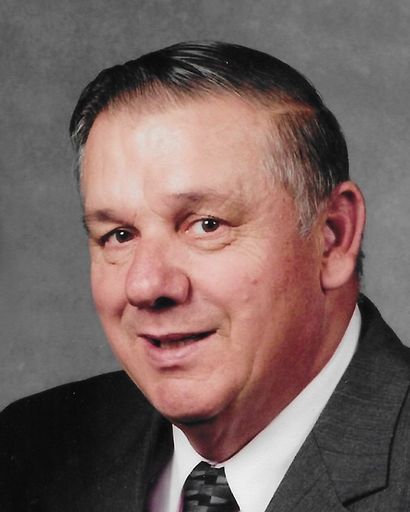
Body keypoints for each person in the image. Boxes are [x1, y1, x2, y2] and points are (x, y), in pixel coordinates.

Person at [1, 41, 409, 512]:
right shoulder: (25, 452)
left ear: (332, 237)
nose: (146, 285)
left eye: (207, 225)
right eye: (119, 235)